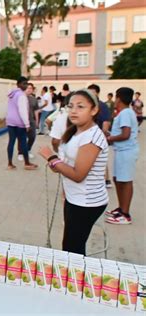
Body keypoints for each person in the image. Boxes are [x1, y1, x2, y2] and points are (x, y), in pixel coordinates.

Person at [39, 89, 109, 255]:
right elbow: (67, 163)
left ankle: (76, 279)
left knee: (72, 249)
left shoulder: (92, 137)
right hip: (73, 197)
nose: (74, 111)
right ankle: (73, 277)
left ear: (94, 110)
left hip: (86, 202)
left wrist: (51, 158)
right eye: (70, 106)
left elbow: (78, 175)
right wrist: (56, 164)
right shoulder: (76, 131)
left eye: (80, 106)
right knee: (71, 244)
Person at [104, 87, 139, 225]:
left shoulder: (125, 113)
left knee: (125, 181)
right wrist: (109, 134)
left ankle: (125, 214)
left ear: (118, 98)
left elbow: (126, 134)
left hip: (126, 151)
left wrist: (110, 139)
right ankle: (121, 208)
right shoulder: (125, 113)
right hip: (121, 151)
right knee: (117, 179)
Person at [4, 76, 37, 170]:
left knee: (11, 142)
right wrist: (27, 124)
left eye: (26, 83)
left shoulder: (12, 94)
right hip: (19, 122)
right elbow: (22, 111)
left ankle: (10, 164)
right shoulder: (21, 95)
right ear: (18, 84)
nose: (25, 85)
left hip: (10, 121)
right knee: (23, 142)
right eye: (23, 83)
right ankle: (27, 163)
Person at [88, 84, 113, 188]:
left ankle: (106, 180)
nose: (89, 94)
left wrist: (101, 137)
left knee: (100, 159)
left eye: (92, 92)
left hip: (98, 137)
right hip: (89, 136)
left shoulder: (102, 106)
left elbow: (106, 123)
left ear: (97, 93)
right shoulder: (89, 104)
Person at [17, 82, 39, 161]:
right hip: (21, 122)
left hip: (31, 121)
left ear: (33, 90)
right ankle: (20, 153)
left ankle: (28, 149)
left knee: (32, 137)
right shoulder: (21, 97)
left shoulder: (34, 99)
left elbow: (36, 111)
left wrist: (37, 121)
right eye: (28, 88)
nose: (29, 89)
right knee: (21, 138)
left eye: (31, 88)